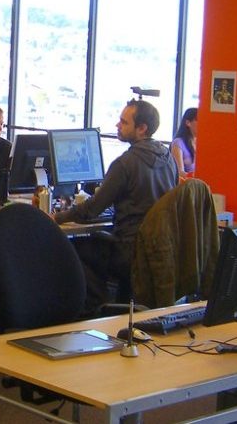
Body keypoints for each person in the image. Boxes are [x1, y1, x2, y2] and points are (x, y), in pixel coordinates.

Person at [52, 100, 177, 303]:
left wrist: (57, 217)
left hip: (129, 251)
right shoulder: (169, 159)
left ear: (142, 128)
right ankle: (113, 303)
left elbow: (91, 210)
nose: (118, 125)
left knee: (74, 248)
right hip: (158, 251)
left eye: (123, 122)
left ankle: (95, 309)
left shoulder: (125, 163)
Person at [171, 107, 197, 183]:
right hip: (188, 186)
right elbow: (179, 172)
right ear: (188, 123)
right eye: (198, 120)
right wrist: (195, 176)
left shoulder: (201, 142)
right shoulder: (178, 142)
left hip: (199, 185)